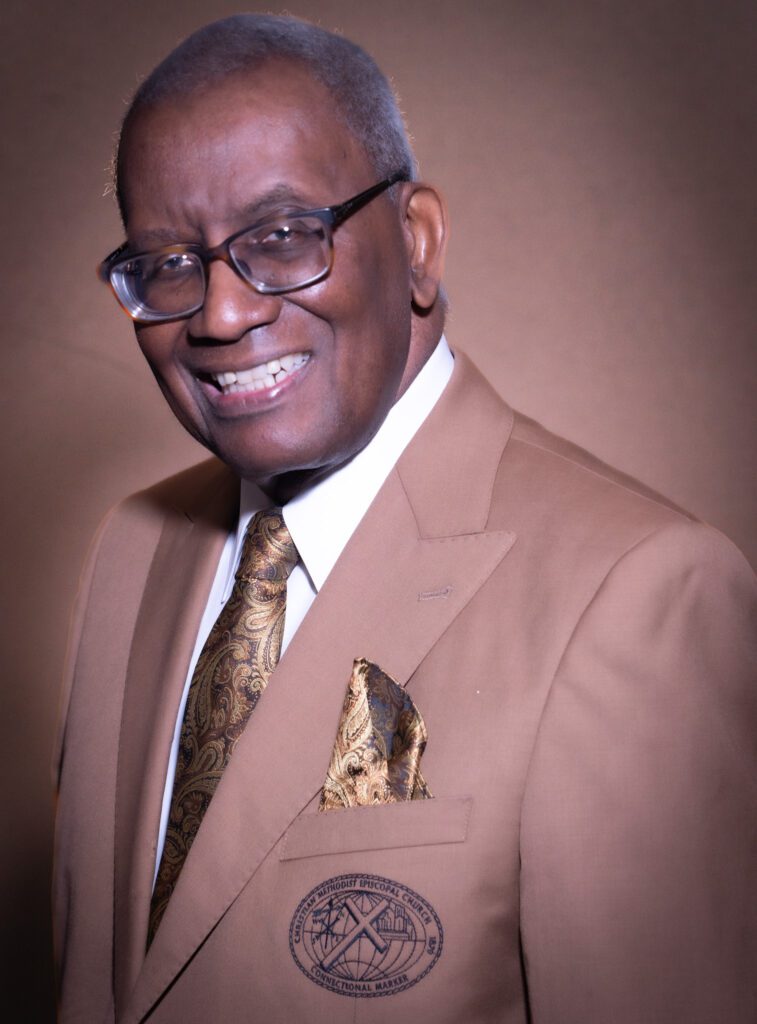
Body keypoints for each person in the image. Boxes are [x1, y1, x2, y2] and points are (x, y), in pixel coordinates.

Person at [52, 13, 756, 1024]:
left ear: (416, 242)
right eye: (168, 261)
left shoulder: (639, 593)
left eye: (282, 237)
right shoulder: (130, 552)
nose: (216, 314)